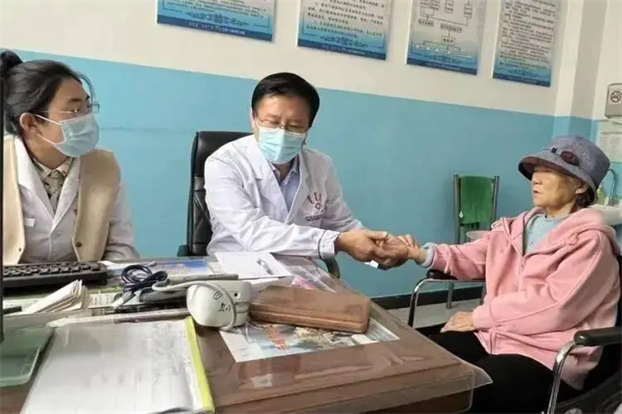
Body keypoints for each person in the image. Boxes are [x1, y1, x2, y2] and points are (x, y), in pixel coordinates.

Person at [390, 136, 620, 413]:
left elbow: (554, 307)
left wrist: (477, 317)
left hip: (545, 353)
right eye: (536, 170)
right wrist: (419, 253)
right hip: (493, 335)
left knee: (467, 392)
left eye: (549, 171)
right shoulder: (516, 227)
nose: (536, 179)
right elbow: (473, 255)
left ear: (580, 185)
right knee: (420, 363)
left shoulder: (590, 241)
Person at [204, 72, 400, 265]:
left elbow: (341, 225)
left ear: (308, 128)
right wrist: (337, 242)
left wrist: (380, 250)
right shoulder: (224, 163)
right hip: (237, 271)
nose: (282, 133)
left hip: (300, 273)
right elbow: (253, 232)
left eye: (295, 126)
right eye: (272, 122)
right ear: (253, 117)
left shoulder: (321, 165)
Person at [1, 50, 139, 264]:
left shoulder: (104, 166)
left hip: (86, 282)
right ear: (30, 123)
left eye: (87, 107)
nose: (87, 118)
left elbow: (121, 248)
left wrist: (99, 278)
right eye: (75, 110)